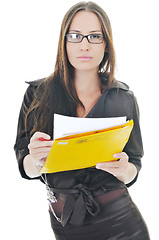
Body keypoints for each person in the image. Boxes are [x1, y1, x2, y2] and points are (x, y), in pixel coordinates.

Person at [14, 1, 150, 239]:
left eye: (94, 36)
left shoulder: (123, 99)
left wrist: (124, 169)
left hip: (122, 223)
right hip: (66, 225)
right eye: (75, 36)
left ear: (106, 44)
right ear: (63, 42)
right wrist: (36, 160)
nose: (84, 45)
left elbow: (134, 166)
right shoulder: (37, 95)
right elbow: (25, 165)